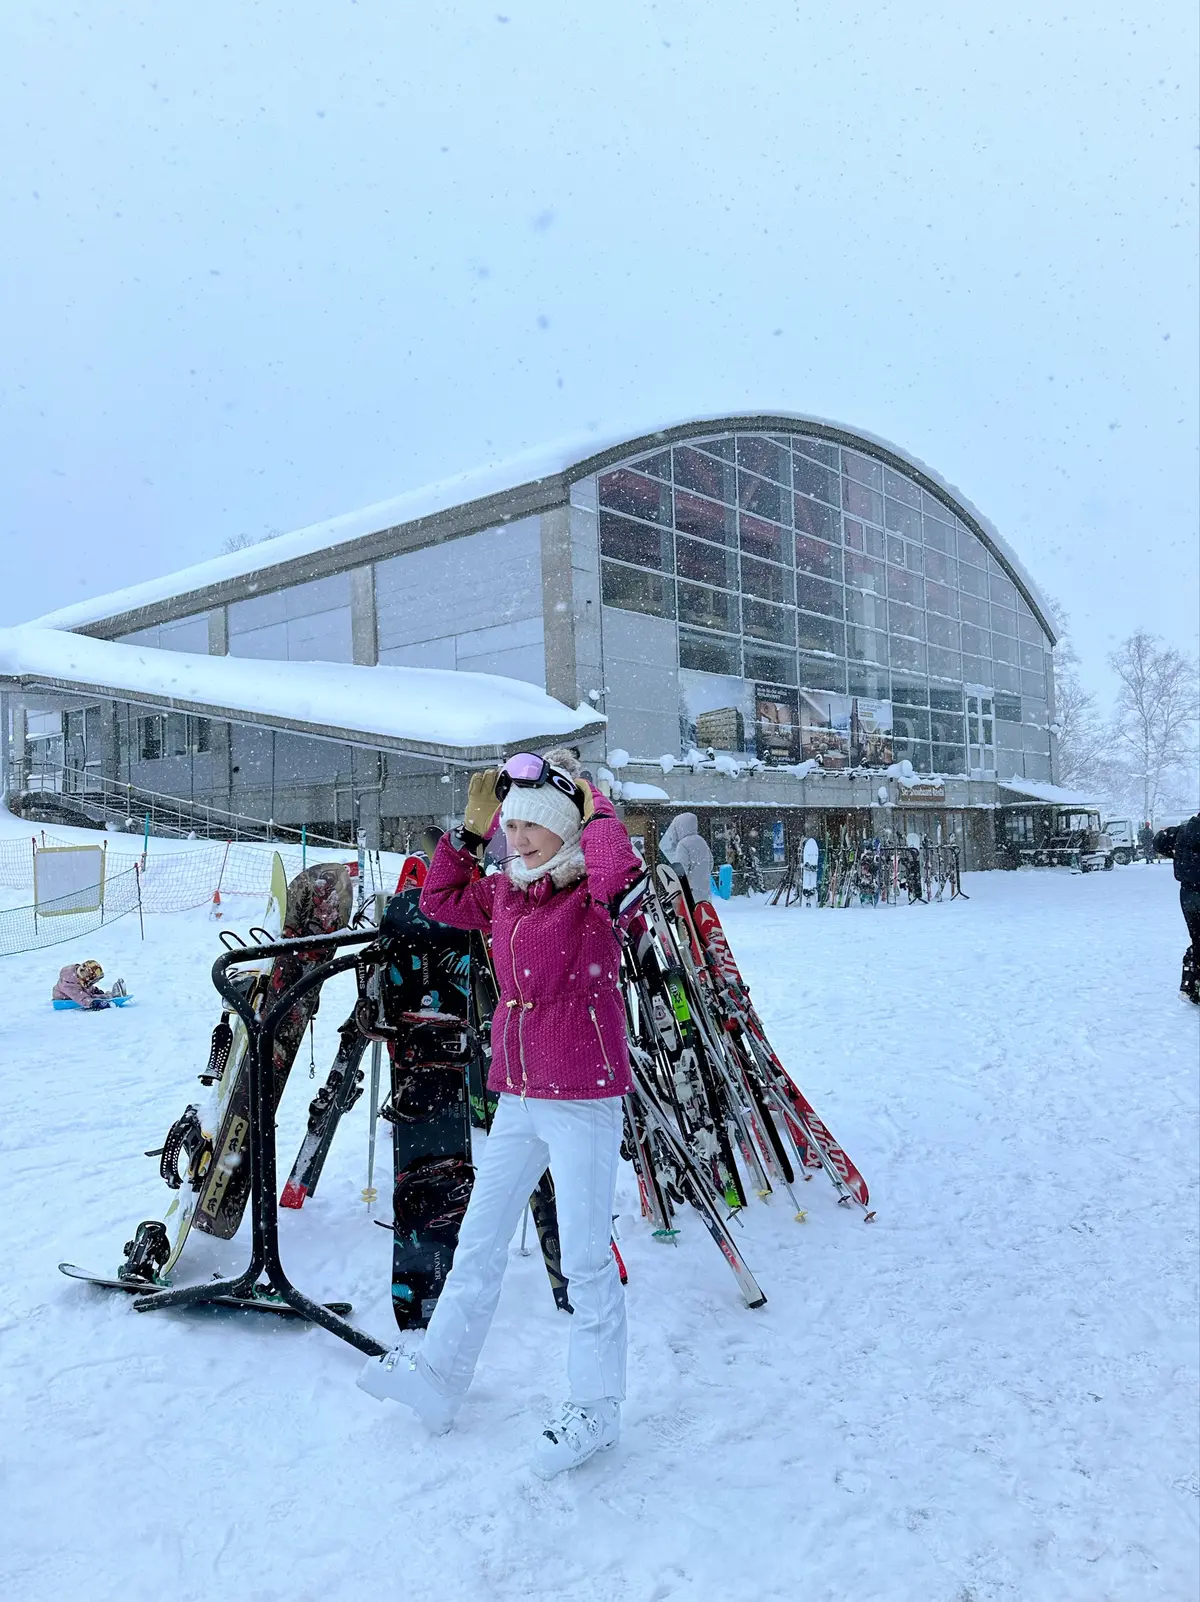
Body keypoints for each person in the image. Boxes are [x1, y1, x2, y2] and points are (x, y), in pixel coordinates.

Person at [358, 749, 643, 1476]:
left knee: (584, 1257)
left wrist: (594, 800)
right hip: (518, 1092)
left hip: (581, 1094)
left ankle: (596, 1409)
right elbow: (436, 902)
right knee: (480, 1240)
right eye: (509, 825)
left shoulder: (588, 897)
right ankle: (441, 1375)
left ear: (563, 827)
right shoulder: (503, 893)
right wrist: (467, 829)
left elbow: (618, 873)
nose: (515, 839)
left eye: (529, 826)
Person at [1153, 815, 1200, 1003]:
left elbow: (1158, 842)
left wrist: (1177, 852)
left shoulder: (1182, 830)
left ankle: (1191, 985)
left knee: (1197, 939)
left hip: (1188, 893)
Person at [658, 811, 714, 905]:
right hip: (705, 891)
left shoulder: (683, 844)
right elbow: (711, 863)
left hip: (690, 893)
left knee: (690, 918)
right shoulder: (701, 841)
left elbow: (681, 871)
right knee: (704, 916)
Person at [51, 960, 124, 1009]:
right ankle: (112, 996)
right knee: (92, 998)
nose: (93, 983)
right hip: (65, 1000)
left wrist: (94, 990)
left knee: (94, 995)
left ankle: (113, 995)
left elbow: (86, 987)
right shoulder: (68, 985)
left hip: (79, 995)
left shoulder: (78, 977)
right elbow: (81, 997)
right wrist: (93, 1003)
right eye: (92, 981)